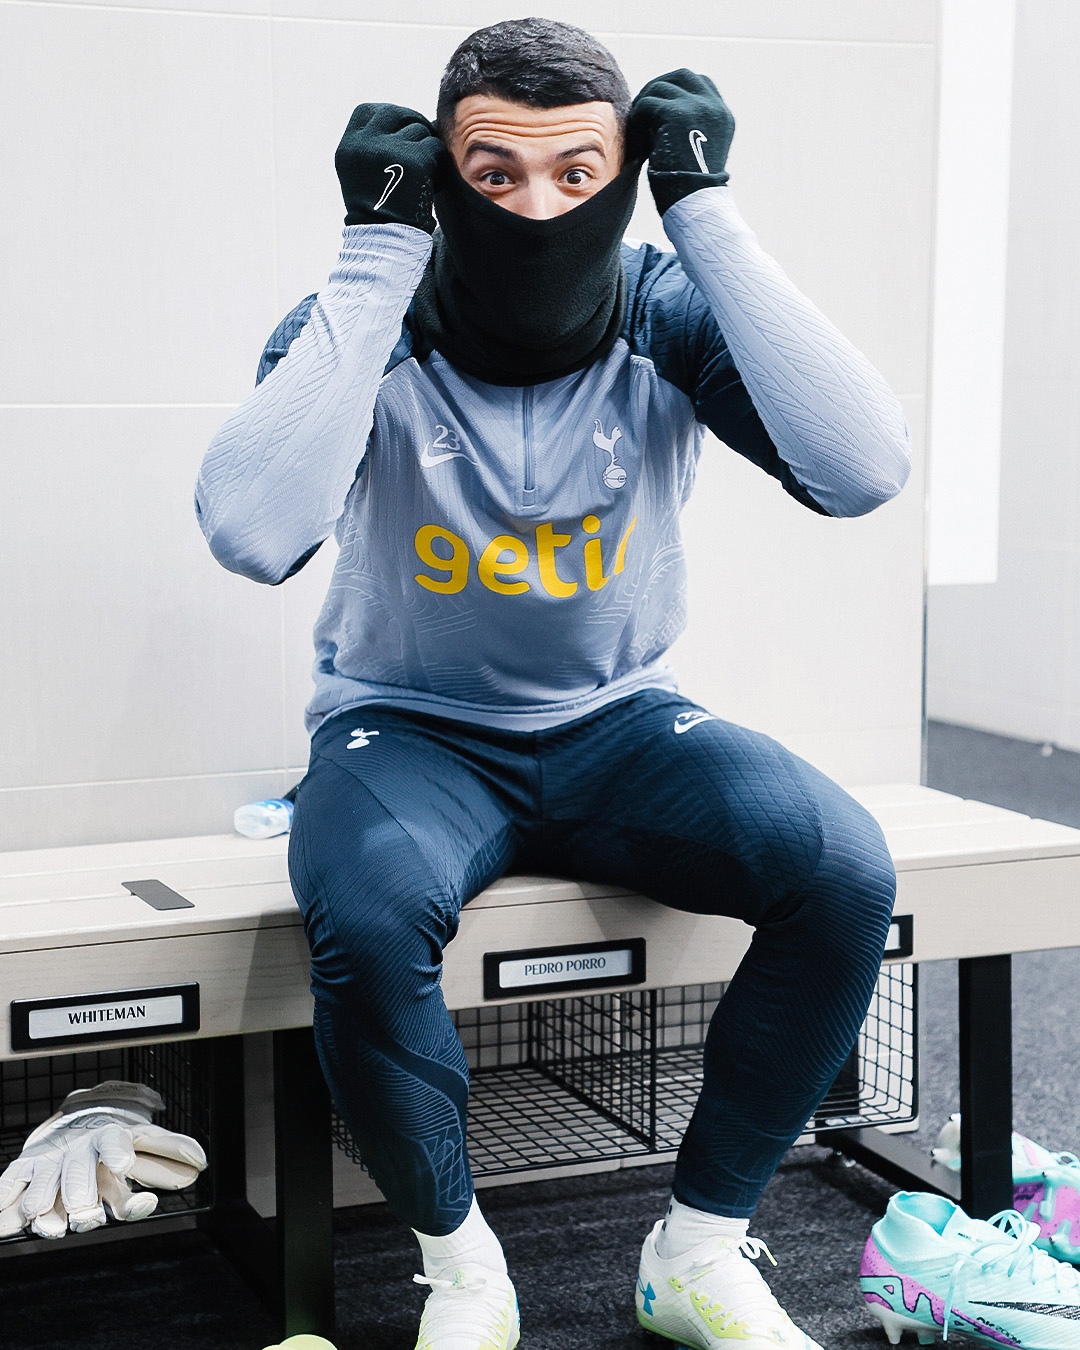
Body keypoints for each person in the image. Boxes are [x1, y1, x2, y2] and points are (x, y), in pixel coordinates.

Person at [196, 17, 910, 1350]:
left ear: (625, 173)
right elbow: (249, 533)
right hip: (408, 731)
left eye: (579, 173)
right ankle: (464, 1271)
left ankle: (695, 1253)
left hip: (621, 721)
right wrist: (375, 254)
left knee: (842, 869)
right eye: (494, 173)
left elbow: (862, 468)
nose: (536, 208)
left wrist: (706, 213)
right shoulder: (368, 314)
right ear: (442, 175)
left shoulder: (663, 309)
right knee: (367, 913)